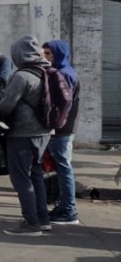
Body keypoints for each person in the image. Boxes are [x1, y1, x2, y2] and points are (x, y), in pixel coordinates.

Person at [0, 35, 53, 236]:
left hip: (22, 133)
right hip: (45, 132)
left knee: (21, 179)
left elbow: (6, 107)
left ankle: (31, 223)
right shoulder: (48, 71)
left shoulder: (21, 76)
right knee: (35, 174)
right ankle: (43, 219)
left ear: (18, 55)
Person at [43, 40, 81, 225]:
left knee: (64, 168)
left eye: (49, 54)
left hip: (62, 130)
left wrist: (55, 123)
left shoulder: (63, 74)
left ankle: (68, 210)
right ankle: (63, 205)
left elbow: (63, 104)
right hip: (63, 129)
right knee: (60, 168)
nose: (45, 57)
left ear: (58, 54)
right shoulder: (65, 71)